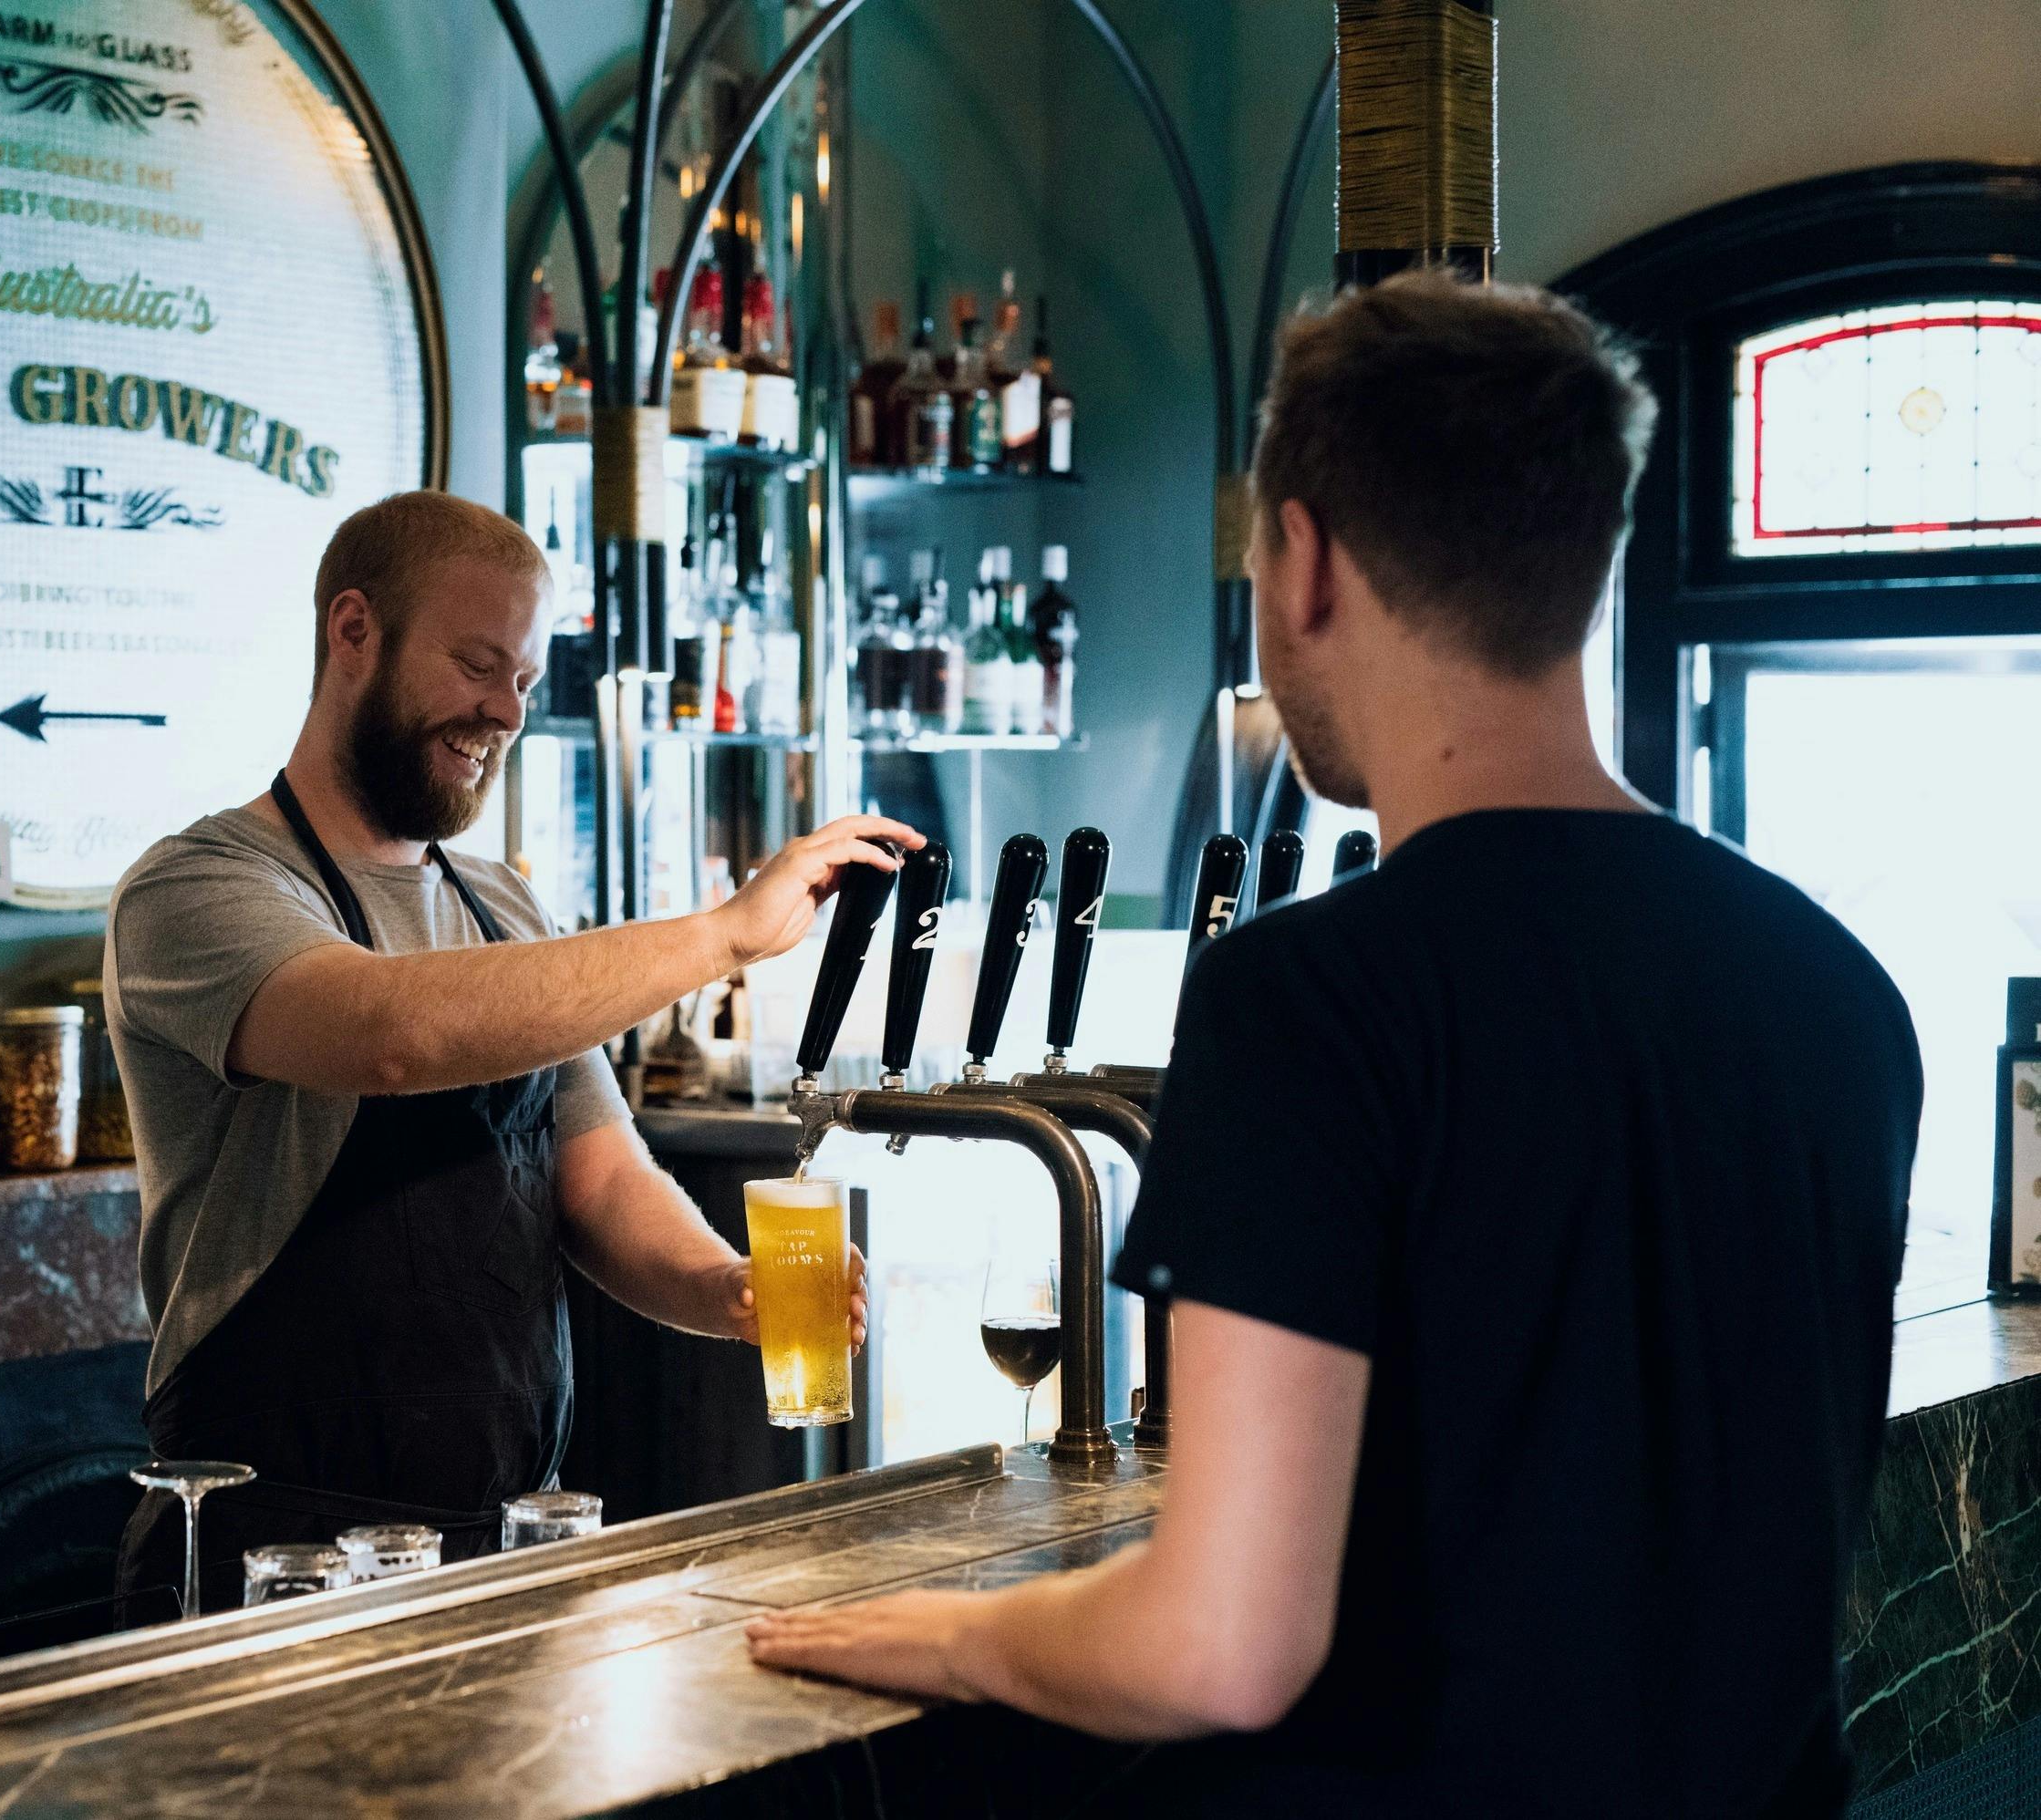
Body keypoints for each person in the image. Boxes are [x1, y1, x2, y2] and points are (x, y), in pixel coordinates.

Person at [745, 271, 1922, 1815]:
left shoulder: (1312, 998)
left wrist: (967, 1640)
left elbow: (1219, 1647)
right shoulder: (1838, 991)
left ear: (1302, 563)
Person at [108, 490, 907, 1608]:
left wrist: (722, 1286)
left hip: (502, 1541)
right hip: (271, 1553)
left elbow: (604, 1176)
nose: (505, 712)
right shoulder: (200, 888)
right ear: (354, 633)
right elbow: (392, 1032)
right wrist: (725, 932)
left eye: (525, 680)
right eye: (479, 664)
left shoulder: (501, 910)